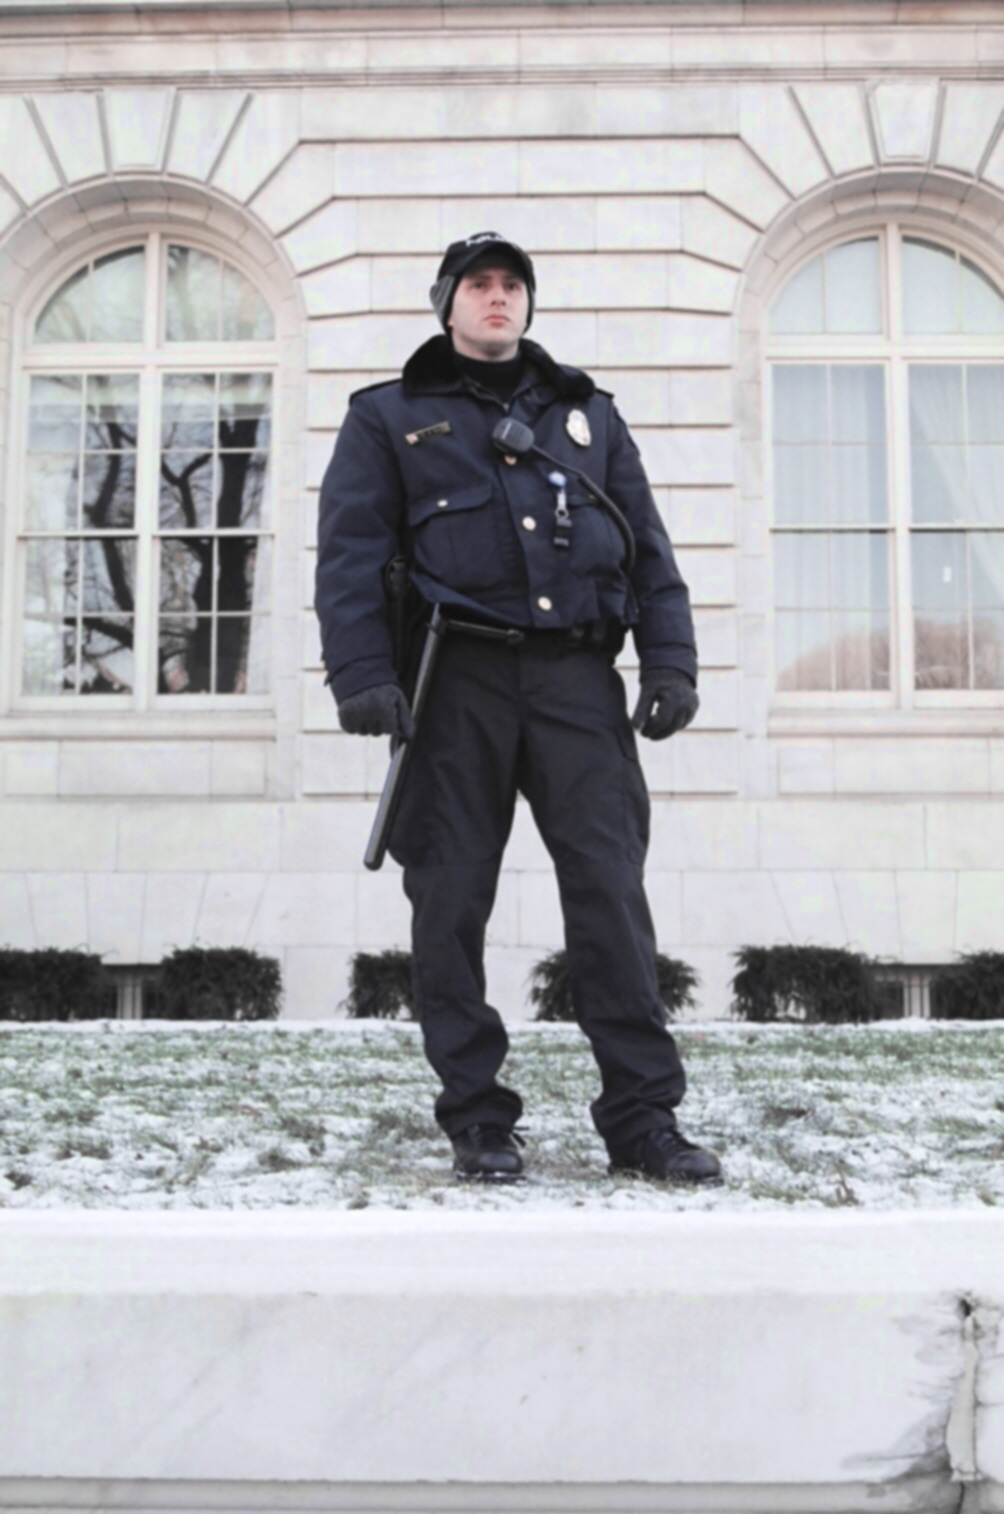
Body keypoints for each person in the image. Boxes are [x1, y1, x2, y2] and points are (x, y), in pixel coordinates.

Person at [316, 231, 722, 1187]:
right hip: (454, 683)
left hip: (580, 682)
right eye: (478, 286)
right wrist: (360, 673)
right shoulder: (388, 416)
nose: (497, 299)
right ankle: (478, 1118)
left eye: (511, 286)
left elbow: (650, 551)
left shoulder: (587, 415)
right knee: (449, 900)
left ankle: (643, 1119)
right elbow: (347, 558)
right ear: (447, 303)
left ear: (527, 305)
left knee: (611, 895)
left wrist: (671, 659)